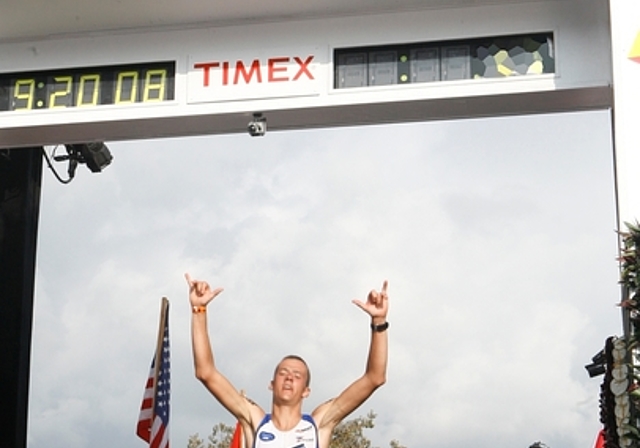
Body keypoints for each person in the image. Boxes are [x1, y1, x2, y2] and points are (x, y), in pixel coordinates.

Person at [185, 273, 389, 448]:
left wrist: (378, 322)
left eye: (297, 375)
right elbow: (206, 372)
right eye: (282, 373)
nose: (289, 377)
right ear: (272, 385)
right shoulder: (255, 421)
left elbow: (374, 378)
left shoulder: (318, 424)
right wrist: (199, 310)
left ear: (306, 391)